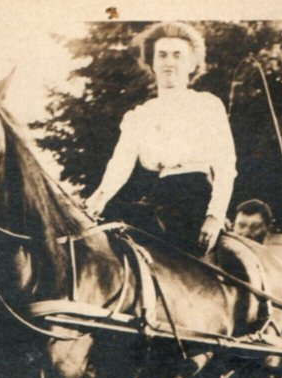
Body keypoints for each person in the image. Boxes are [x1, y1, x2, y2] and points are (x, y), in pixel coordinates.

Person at [85, 22, 237, 255]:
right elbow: (121, 163)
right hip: (158, 197)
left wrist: (214, 216)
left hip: (196, 198)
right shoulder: (141, 115)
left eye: (178, 55)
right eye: (162, 55)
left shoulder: (207, 105)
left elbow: (226, 166)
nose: (169, 62)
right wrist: (97, 201)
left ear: (192, 63)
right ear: (152, 63)